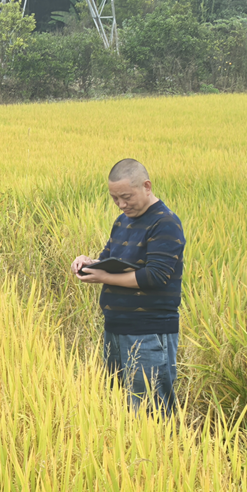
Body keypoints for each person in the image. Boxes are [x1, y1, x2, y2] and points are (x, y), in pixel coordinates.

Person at [71, 159, 185, 416]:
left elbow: (155, 276)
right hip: (116, 328)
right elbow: (109, 260)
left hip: (148, 331)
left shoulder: (165, 222)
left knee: (151, 414)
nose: (122, 205)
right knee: (119, 408)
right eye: (115, 199)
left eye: (126, 197)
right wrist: (89, 263)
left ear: (146, 186)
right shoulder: (122, 222)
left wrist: (103, 277)